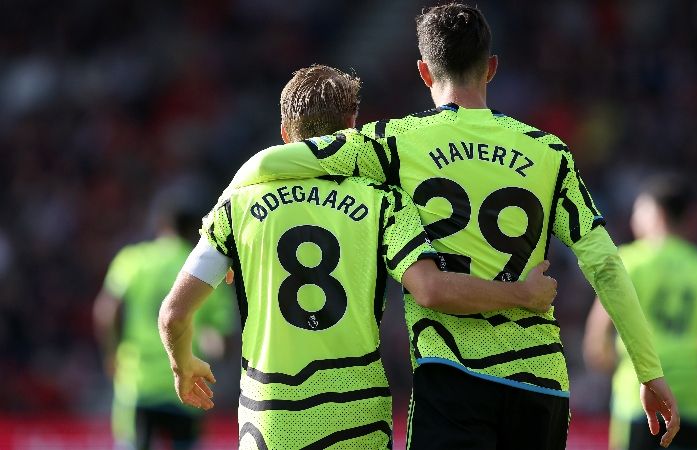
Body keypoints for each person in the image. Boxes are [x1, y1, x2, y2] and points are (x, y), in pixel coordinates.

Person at [215, 4, 681, 449]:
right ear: (492, 67)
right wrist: (648, 371)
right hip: (541, 383)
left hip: (453, 377)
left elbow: (277, 162)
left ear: (423, 71)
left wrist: (227, 221)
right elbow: (605, 264)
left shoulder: (395, 142)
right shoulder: (550, 153)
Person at [158, 64, 559, 449]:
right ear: (352, 129)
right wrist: (522, 294)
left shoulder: (237, 207)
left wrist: (183, 364)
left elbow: (174, 315)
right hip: (358, 412)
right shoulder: (385, 203)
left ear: (284, 134)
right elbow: (430, 288)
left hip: (271, 416)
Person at [583, 175, 697, 450]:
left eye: (639, 209)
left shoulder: (629, 261)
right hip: (690, 396)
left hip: (638, 395)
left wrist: (606, 361)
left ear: (656, 213)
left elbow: (598, 334)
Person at [93, 197, 234, 450]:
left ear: (160, 224)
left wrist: (111, 353)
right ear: (194, 229)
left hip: (138, 381)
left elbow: (107, 311)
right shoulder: (204, 269)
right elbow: (219, 338)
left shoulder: (133, 260)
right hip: (187, 384)